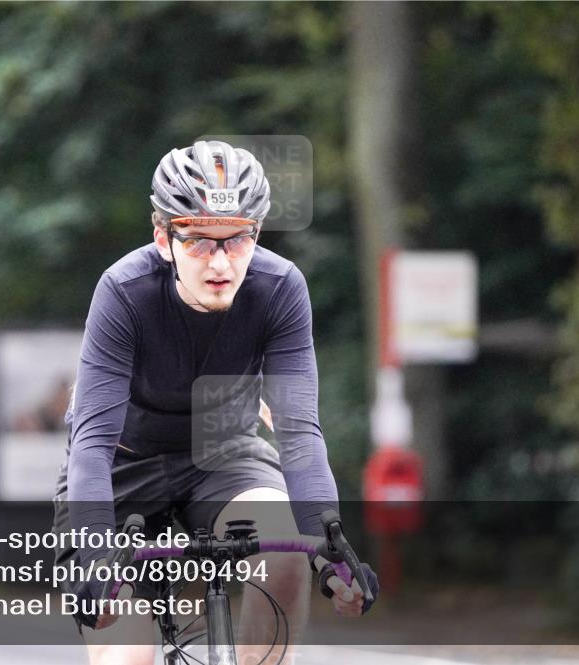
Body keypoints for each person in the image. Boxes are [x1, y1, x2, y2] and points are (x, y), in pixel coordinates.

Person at [53, 140, 379, 664]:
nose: (221, 262)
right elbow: (90, 443)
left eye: (238, 240)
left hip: (224, 454)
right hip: (121, 464)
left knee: (285, 549)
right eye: (201, 241)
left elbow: (298, 432)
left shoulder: (279, 288)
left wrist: (330, 550)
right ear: (164, 238)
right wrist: (95, 551)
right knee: (128, 654)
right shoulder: (124, 291)